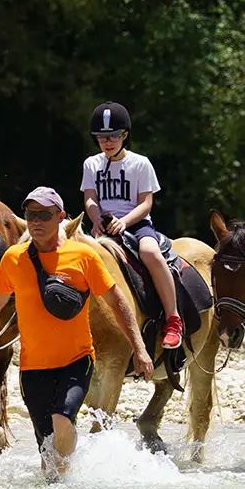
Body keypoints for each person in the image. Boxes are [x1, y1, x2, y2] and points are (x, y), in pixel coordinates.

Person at [0, 187, 153, 479]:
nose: (36, 221)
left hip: (76, 362)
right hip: (33, 368)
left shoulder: (83, 256)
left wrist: (139, 348)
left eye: (44, 215)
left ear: (60, 217)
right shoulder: (14, 258)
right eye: (31, 214)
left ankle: (68, 478)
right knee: (46, 451)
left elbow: (117, 301)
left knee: (62, 421)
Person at [80, 102, 184, 350]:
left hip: (136, 225)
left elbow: (146, 203)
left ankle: (173, 319)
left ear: (125, 135)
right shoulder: (91, 164)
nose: (107, 142)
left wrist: (124, 222)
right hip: (102, 227)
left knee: (150, 253)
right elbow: (90, 199)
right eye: (102, 137)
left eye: (113, 136)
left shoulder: (140, 163)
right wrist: (96, 219)